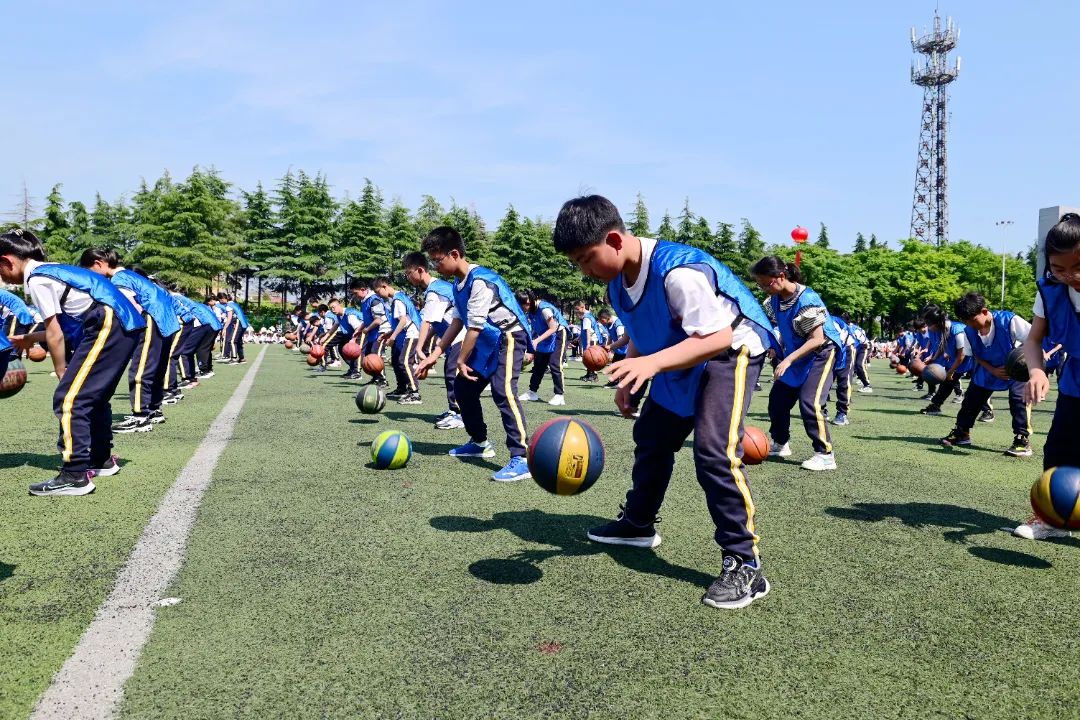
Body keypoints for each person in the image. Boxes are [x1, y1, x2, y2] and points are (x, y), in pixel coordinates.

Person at [552, 195, 778, 610]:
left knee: (713, 451)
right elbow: (644, 330)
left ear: (616, 240)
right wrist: (631, 375)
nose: (583, 270)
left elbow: (716, 338)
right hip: (684, 347)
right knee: (653, 435)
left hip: (733, 348)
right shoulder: (617, 285)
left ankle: (745, 564)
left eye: (586, 258)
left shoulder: (678, 272)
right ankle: (638, 523)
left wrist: (652, 365)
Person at [1, 230, 144, 496]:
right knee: (94, 397)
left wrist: (60, 370)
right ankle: (100, 460)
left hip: (109, 322)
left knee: (70, 398)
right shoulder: (52, 270)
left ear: (7, 261)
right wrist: (29, 338)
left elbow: (55, 333)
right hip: (122, 323)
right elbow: (65, 326)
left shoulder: (37, 279)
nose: (2, 277)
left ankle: (74, 474)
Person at [416, 226, 533, 482]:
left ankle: (523, 458)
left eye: (437, 260)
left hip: (510, 336)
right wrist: (434, 355)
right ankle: (480, 443)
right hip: (490, 341)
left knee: (503, 390)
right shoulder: (458, 285)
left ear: (454, 254)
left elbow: (476, 327)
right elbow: (458, 322)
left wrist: (459, 359)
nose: (435, 267)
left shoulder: (480, 281)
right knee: (463, 388)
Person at [1016, 213, 1080, 539]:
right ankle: (1052, 520)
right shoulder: (1048, 292)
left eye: (1078, 265)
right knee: (1058, 449)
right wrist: (1037, 370)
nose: (1070, 275)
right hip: (1075, 381)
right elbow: (1033, 339)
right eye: (1060, 268)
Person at [751, 256, 844, 471]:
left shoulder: (807, 300)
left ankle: (825, 454)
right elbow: (781, 328)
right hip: (797, 354)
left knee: (810, 402)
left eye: (766, 283)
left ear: (781, 277)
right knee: (777, 401)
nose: (764, 288)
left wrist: (787, 360)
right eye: (760, 284)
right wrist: (776, 346)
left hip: (820, 353)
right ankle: (781, 443)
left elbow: (817, 339)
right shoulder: (774, 299)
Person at [80, 249, 181, 432]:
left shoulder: (120, 279)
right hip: (167, 320)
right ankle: (153, 410)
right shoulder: (135, 276)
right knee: (156, 368)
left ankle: (141, 417)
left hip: (152, 317)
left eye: (89, 271)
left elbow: (129, 306)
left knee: (140, 369)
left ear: (98, 264)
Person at [941, 292, 1033, 457]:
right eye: (966, 321)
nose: (970, 324)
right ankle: (962, 432)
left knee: (1018, 399)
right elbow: (975, 354)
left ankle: (1022, 439)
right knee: (971, 399)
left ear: (984, 311)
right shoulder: (968, 331)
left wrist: (1026, 362)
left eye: (972, 319)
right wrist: (992, 370)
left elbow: (1033, 339)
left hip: (1015, 368)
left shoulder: (1009, 321)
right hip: (988, 366)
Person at [404, 252, 466, 428]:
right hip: (455, 339)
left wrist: (418, 348)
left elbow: (427, 321)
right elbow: (435, 323)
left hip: (461, 337)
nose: (408, 277)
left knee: (453, 374)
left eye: (409, 273)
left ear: (420, 270)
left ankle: (460, 415)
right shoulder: (437, 288)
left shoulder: (435, 291)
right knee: (450, 372)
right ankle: (454, 410)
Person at [372, 278, 422, 404]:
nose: (378, 295)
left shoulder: (398, 299)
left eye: (378, 292)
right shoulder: (398, 298)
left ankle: (414, 393)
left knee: (404, 362)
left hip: (411, 334)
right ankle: (402, 388)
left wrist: (392, 337)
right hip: (405, 334)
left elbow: (403, 320)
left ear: (384, 286)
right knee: (396, 361)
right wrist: (387, 334)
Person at [517, 290, 569, 406]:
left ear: (528, 302)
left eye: (522, 306)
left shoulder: (544, 309)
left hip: (558, 334)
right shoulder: (530, 310)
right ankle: (532, 392)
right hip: (543, 336)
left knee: (555, 364)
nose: (521, 309)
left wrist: (536, 341)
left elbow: (553, 328)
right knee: (539, 365)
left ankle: (559, 395)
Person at [351, 279, 391, 388]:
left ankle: (382, 380)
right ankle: (375, 378)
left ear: (363, 290)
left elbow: (379, 320)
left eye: (356, 293)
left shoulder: (374, 300)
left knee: (375, 355)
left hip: (382, 331)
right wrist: (359, 329)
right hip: (373, 332)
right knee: (368, 354)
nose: (355, 296)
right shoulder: (365, 301)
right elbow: (367, 319)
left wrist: (367, 329)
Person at [826, 312, 854, 426]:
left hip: (844, 349)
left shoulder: (834, 321)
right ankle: (822, 409)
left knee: (843, 381)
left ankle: (842, 413)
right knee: (823, 381)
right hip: (827, 350)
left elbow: (840, 341)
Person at [328, 298, 364, 379]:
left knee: (355, 350)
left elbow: (358, 328)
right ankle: (352, 369)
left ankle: (357, 372)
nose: (332, 310)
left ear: (339, 305)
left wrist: (354, 339)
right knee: (342, 348)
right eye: (330, 308)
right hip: (353, 333)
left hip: (363, 332)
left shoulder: (349, 314)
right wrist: (325, 336)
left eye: (334, 307)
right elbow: (335, 327)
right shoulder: (338, 315)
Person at [598, 309, 627, 389]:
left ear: (607, 317)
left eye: (601, 320)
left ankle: (621, 383)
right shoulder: (608, 324)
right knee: (614, 364)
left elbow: (622, 340)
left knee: (621, 367)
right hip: (619, 350)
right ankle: (615, 382)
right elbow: (610, 336)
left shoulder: (618, 324)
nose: (600, 322)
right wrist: (607, 348)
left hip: (625, 350)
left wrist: (611, 347)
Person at [844, 313, 873, 393]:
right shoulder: (846, 327)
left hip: (863, 347)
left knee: (859, 364)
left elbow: (864, 341)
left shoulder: (854, 328)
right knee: (851, 365)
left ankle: (867, 385)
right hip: (855, 348)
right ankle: (847, 381)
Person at [219, 292, 249, 364]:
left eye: (219, 300)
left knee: (232, 341)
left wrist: (224, 328)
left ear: (222, 299)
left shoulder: (229, 306)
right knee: (238, 341)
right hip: (244, 323)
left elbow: (229, 319)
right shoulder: (234, 303)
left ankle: (234, 358)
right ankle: (242, 358)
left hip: (239, 322)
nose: (219, 302)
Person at [575, 300, 602, 382]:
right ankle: (589, 373)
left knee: (591, 357)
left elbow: (588, 331)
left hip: (592, 339)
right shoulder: (587, 315)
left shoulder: (586, 318)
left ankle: (593, 375)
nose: (576, 311)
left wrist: (587, 344)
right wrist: (579, 337)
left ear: (582, 307)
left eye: (577, 309)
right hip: (591, 339)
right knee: (588, 358)